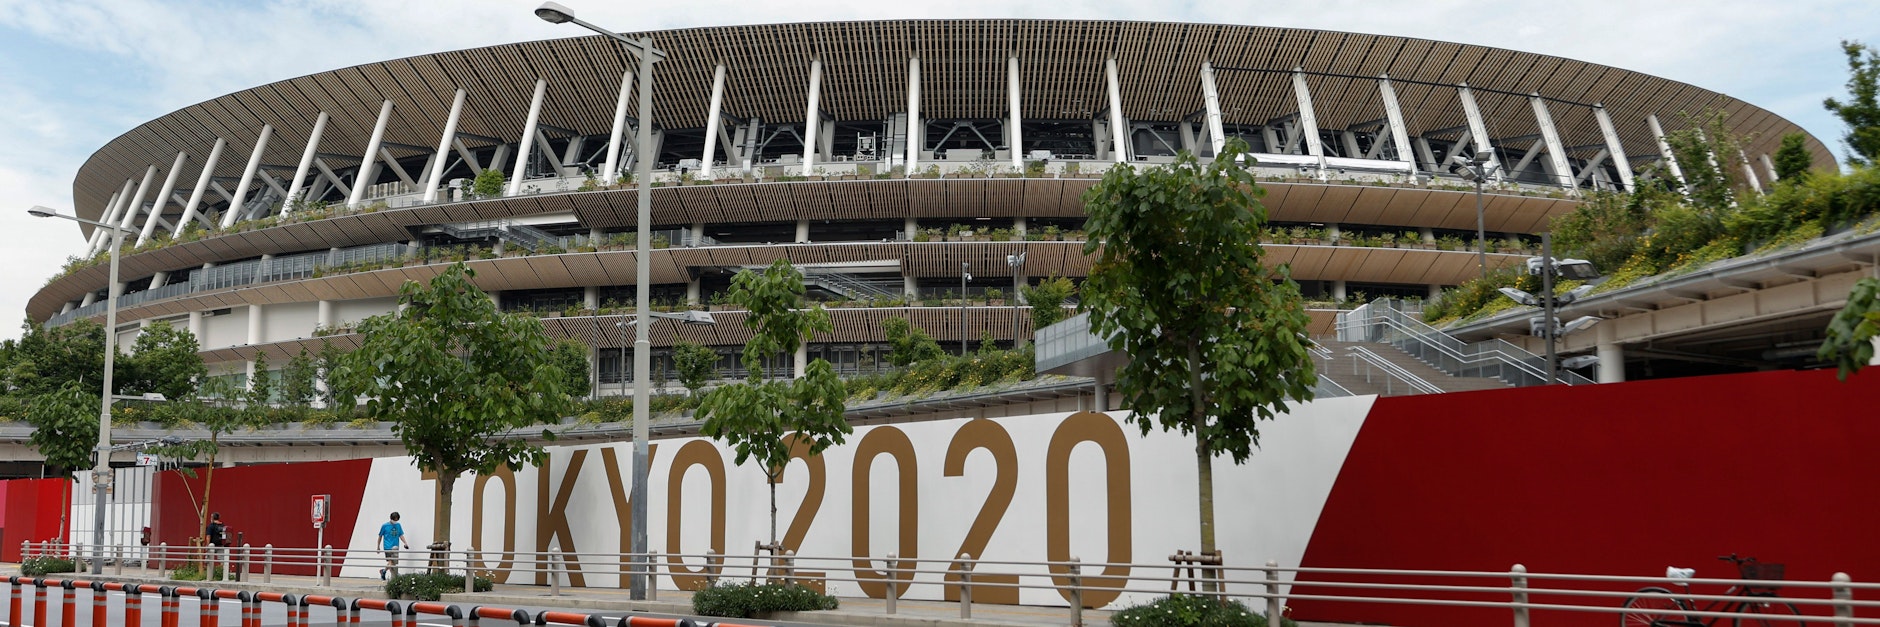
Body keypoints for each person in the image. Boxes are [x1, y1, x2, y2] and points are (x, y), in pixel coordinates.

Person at [377, 511, 408, 580]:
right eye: (394, 520)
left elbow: (401, 535)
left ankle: (385, 572)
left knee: (393, 563)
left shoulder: (398, 525)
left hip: (396, 547)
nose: (395, 521)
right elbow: (380, 536)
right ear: (391, 518)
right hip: (387, 546)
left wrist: (405, 543)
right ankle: (389, 574)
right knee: (391, 561)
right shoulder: (385, 526)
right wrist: (378, 546)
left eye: (397, 520)